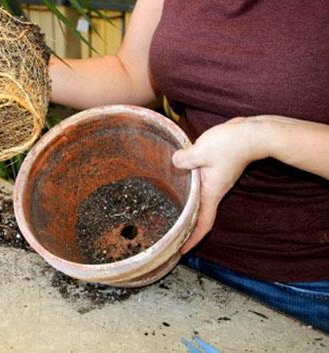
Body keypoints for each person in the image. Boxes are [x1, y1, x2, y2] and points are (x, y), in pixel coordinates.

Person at [49, 0, 329, 332]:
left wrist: (262, 136)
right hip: (167, 246)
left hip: (295, 284)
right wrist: (24, 71)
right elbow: (132, 72)